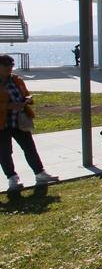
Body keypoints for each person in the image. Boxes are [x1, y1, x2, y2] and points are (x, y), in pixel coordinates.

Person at [0, 55, 58, 192]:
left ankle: (40, 173)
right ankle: (12, 178)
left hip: (19, 120)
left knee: (29, 147)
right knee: (5, 152)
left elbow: (25, 93)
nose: (9, 68)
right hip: (2, 124)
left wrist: (27, 99)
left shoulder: (16, 80)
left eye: (11, 65)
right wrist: (9, 106)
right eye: (6, 65)